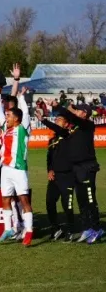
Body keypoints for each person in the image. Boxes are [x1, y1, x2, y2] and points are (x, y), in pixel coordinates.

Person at [0, 63, 34, 246]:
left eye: (9, 116)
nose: (5, 117)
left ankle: (29, 231)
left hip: (18, 169)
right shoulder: (5, 130)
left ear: (16, 118)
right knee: (5, 199)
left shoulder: (23, 128)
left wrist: (21, 97)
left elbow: (25, 114)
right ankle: (8, 228)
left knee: (23, 200)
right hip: (5, 169)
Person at [47, 100, 103, 243]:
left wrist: (57, 106)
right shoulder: (73, 130)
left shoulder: (87, 125)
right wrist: (43, 120)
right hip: (76, 169)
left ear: (84, 113)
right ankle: (86, 228)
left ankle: (97, 229)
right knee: (81, 200)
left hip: (87, 167)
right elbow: (59, 130)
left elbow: (72, 117)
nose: (75, 112)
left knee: (90, 200)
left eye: (78, 110)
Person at [35, 111, 75, 242]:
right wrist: (50, 170)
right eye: (56, 119)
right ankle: (56, 228)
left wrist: (44, 120)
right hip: (55, 177)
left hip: (67, 176)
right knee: (50, 202)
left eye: (60, 119)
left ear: (66, 123)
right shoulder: (52, 140)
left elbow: (59, 130)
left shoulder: (68, 135)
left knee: (66, 204)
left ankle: (70, 230)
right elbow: (49, 158)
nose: (57, 121)